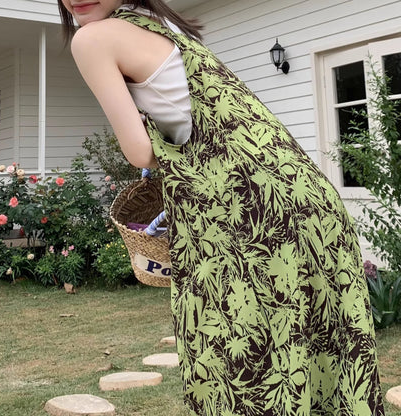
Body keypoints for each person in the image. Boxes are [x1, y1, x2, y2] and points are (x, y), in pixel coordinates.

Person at [57, 1, 385, 415]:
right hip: (306, 198)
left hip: (250, 211)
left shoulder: (91, 39)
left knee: (243, 362)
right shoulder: (160, 25)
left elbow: (139, 151)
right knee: (310, 348)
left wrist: (152, 135)